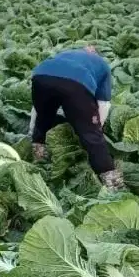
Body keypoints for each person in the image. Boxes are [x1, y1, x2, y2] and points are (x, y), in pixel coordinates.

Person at [30, 47, 124, 190]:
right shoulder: (102, 64)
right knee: (91, 135)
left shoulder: (67, 53)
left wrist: (33, 131)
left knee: (44, 118)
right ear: (96, 54)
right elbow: (103, 104)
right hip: (76, 83)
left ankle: (38, 159)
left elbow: (37, 109)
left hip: (40, 76)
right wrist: (96, 127)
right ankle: (112, 182)